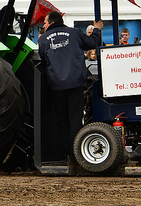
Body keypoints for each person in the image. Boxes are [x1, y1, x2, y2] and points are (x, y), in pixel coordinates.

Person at [38, 11, 103, 173]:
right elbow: (92, 43)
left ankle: (67, 154)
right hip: (75, 83)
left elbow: (42, 59)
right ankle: (77, 154)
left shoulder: (43, 39)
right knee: (75, 119)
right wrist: (96, 29)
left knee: (62, 120)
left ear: (51, 22)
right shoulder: (75, 32)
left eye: (45, 22)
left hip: (56, 85)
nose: (44, 25)